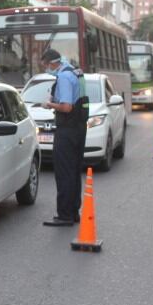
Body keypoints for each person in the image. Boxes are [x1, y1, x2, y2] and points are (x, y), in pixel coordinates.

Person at [40, 48, 88, 226]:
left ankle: (65, 215)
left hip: (67, 129)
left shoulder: (64, 77)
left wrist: (49, 104)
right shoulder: (74, 71)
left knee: (64, 172)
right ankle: (73, 211)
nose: (46, 69)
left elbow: (67, 107)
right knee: (74, 172)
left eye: (45, 65)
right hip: (78, 128)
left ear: (52, 63)